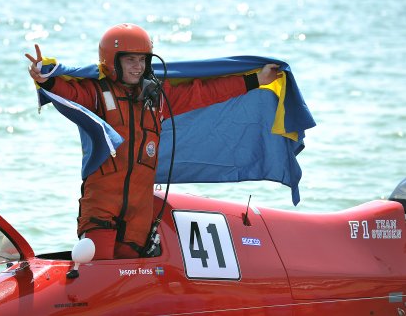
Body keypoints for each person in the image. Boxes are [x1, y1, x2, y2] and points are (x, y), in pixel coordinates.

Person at [26, 23, 280, 260]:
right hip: (101, 207)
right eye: (130, 59)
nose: (138, 66)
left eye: (142, 60)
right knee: (99, 272)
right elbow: (67, 91)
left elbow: (206, 92)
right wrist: (45, 78)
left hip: (140, 215)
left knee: (128, 284)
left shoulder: (158, 99)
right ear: (112, 61)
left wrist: (256, 80)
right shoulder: (96, 94)